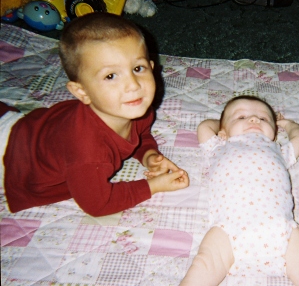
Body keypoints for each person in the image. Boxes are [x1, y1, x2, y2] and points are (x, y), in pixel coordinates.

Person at [0, 12, 189, 217]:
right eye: (111, 76)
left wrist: (149, 155)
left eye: (138, 68)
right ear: (82, 92)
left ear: (152, 68)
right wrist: (153, 186)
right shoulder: (88, 153)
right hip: (10, 153)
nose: (133, 85)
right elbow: (98, 204)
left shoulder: (135, 109)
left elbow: (140, 136)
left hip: (27, 128)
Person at [180, 96, 299, 285]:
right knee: (204, 265)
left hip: (279, 227)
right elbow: (204, 127)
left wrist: (286, 123)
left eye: (264, 118)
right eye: (241, 117)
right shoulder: (218, 147)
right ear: (223, 132)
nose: (254, 119)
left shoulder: (278, 150)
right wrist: (222, 124)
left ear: (274, 134)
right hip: (228, 228)